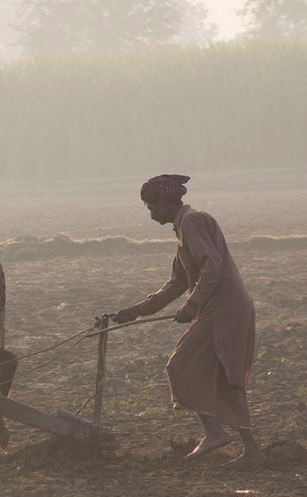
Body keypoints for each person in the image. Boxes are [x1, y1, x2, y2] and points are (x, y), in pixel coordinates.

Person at [113, 174, 264, 469]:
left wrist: (193, 303)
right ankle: (246, 447)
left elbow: (212, 266)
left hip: (223, 310)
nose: (152, 213)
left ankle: (216, 432)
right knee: (219, 375)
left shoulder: (193, 223)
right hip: (218, 309)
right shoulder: (182, 229)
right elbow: (176, 283)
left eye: (152, 207)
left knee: (180, 365)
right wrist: (136, 310)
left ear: (168, 202)